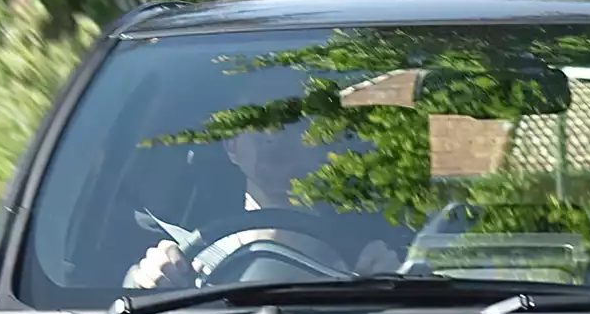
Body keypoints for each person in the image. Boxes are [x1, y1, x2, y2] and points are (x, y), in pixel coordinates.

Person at [124, 124, 404, 291]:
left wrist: (396, 288)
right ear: (231, 146)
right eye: (255, 120)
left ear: (327, 144)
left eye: (293, 120)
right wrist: (146, 282)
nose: (272, 135)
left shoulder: (371, 260)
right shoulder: (187, 261)